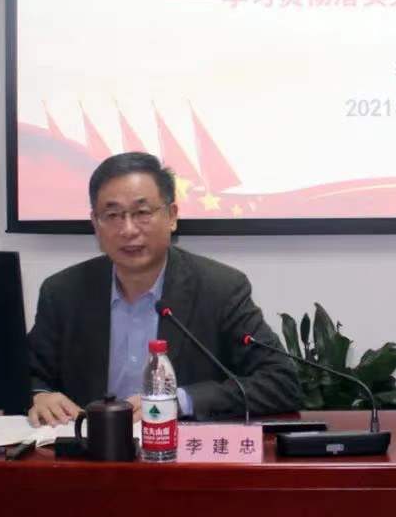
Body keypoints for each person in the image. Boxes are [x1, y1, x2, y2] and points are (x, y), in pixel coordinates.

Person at [27, 152, 302, 426]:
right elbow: (27, 374)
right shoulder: (63, 292)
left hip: (178, 449)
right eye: (112, 215)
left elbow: (281, 382)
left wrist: (179, 401)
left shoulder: (220, 290)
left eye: (142, 213)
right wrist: (40, 395)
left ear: (171, 216)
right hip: (90, 448)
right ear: (95, 224)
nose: (128, 229)